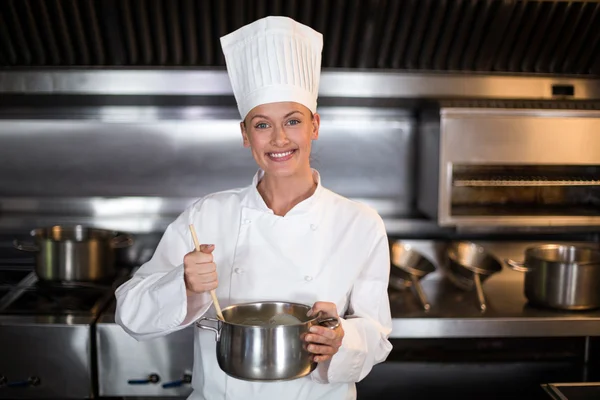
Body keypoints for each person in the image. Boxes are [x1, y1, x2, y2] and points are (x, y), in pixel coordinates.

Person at [115, 15, 392, 400]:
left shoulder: (359, 223)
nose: (279, 138)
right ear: (245, 135)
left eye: (292, 121)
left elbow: (377, 335)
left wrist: (343, 340)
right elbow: (130, 315)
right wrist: (183, 283)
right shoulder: (207, 216)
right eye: (262, 125)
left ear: (314, 125)